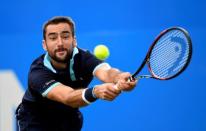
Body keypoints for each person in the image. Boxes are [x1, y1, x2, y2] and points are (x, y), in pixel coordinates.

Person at [16, 16, 137, 131]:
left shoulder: (84, 58)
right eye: (53, 38)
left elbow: (106, 72)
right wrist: (95, 92)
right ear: (44, 45)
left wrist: (119, 77)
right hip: (36, 122)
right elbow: (67, 97)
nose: (60, 43)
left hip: (69, 118)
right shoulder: (38, 72)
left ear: (74, 41)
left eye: (65, 36)